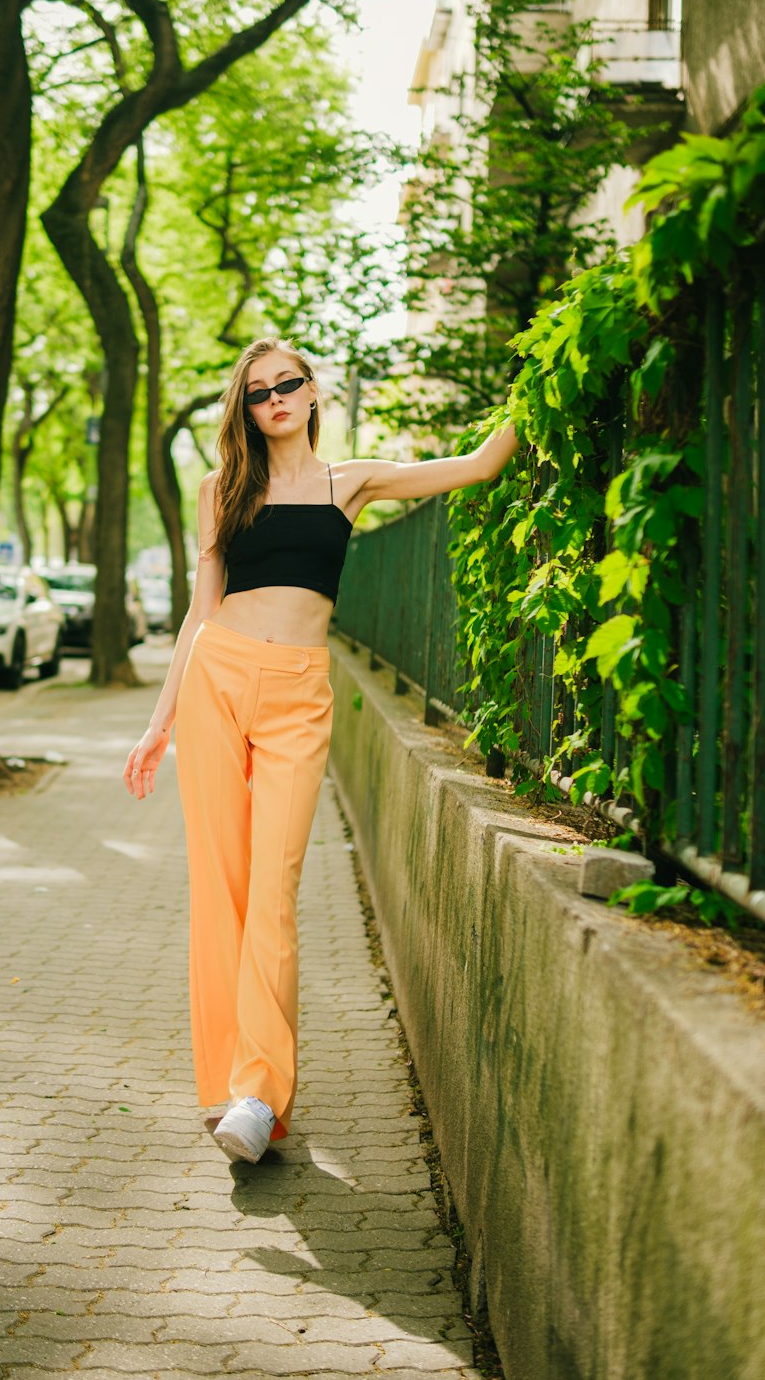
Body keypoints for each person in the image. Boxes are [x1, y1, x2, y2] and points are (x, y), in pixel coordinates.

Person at [123, 336, 518, 1163]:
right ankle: (232, 1088)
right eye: (258, 390)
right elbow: (199, 615)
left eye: (287, 384)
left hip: (299, 695)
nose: (273, 398)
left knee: (273, 889)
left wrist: (545, 377)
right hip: (216, 683)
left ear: (311, 395)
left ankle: (262, 1096)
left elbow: (480, 464)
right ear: (247, 406)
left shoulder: (353, 482)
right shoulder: (221, 490)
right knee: (221, 889)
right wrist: (158, 723)